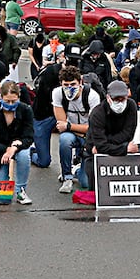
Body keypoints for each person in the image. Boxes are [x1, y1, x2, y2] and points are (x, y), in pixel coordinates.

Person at [0, 80, 36, 205]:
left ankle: (20, 191)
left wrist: (14, 147)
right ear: (1, 97)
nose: (11, 104)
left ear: (19, 98)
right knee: (2, 197)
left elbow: (28, 137)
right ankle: (4, 188)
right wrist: (6, 149)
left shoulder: (26, 110)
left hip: (18, 146)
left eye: (14, 101)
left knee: (24, 156)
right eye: (7, 101)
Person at [53, 66, 98, 195]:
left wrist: (69, 126)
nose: (69, 88)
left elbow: (93, 127)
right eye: (66, 85)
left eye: (73, 84)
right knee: (64, 139)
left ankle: (77, 169)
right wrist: (71, 128)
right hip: (72, 134)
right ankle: (67, 177)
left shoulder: (92, 96)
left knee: (85, 183)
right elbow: (61, 125)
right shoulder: (57, 93)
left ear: (80, 82)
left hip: (89, 138)